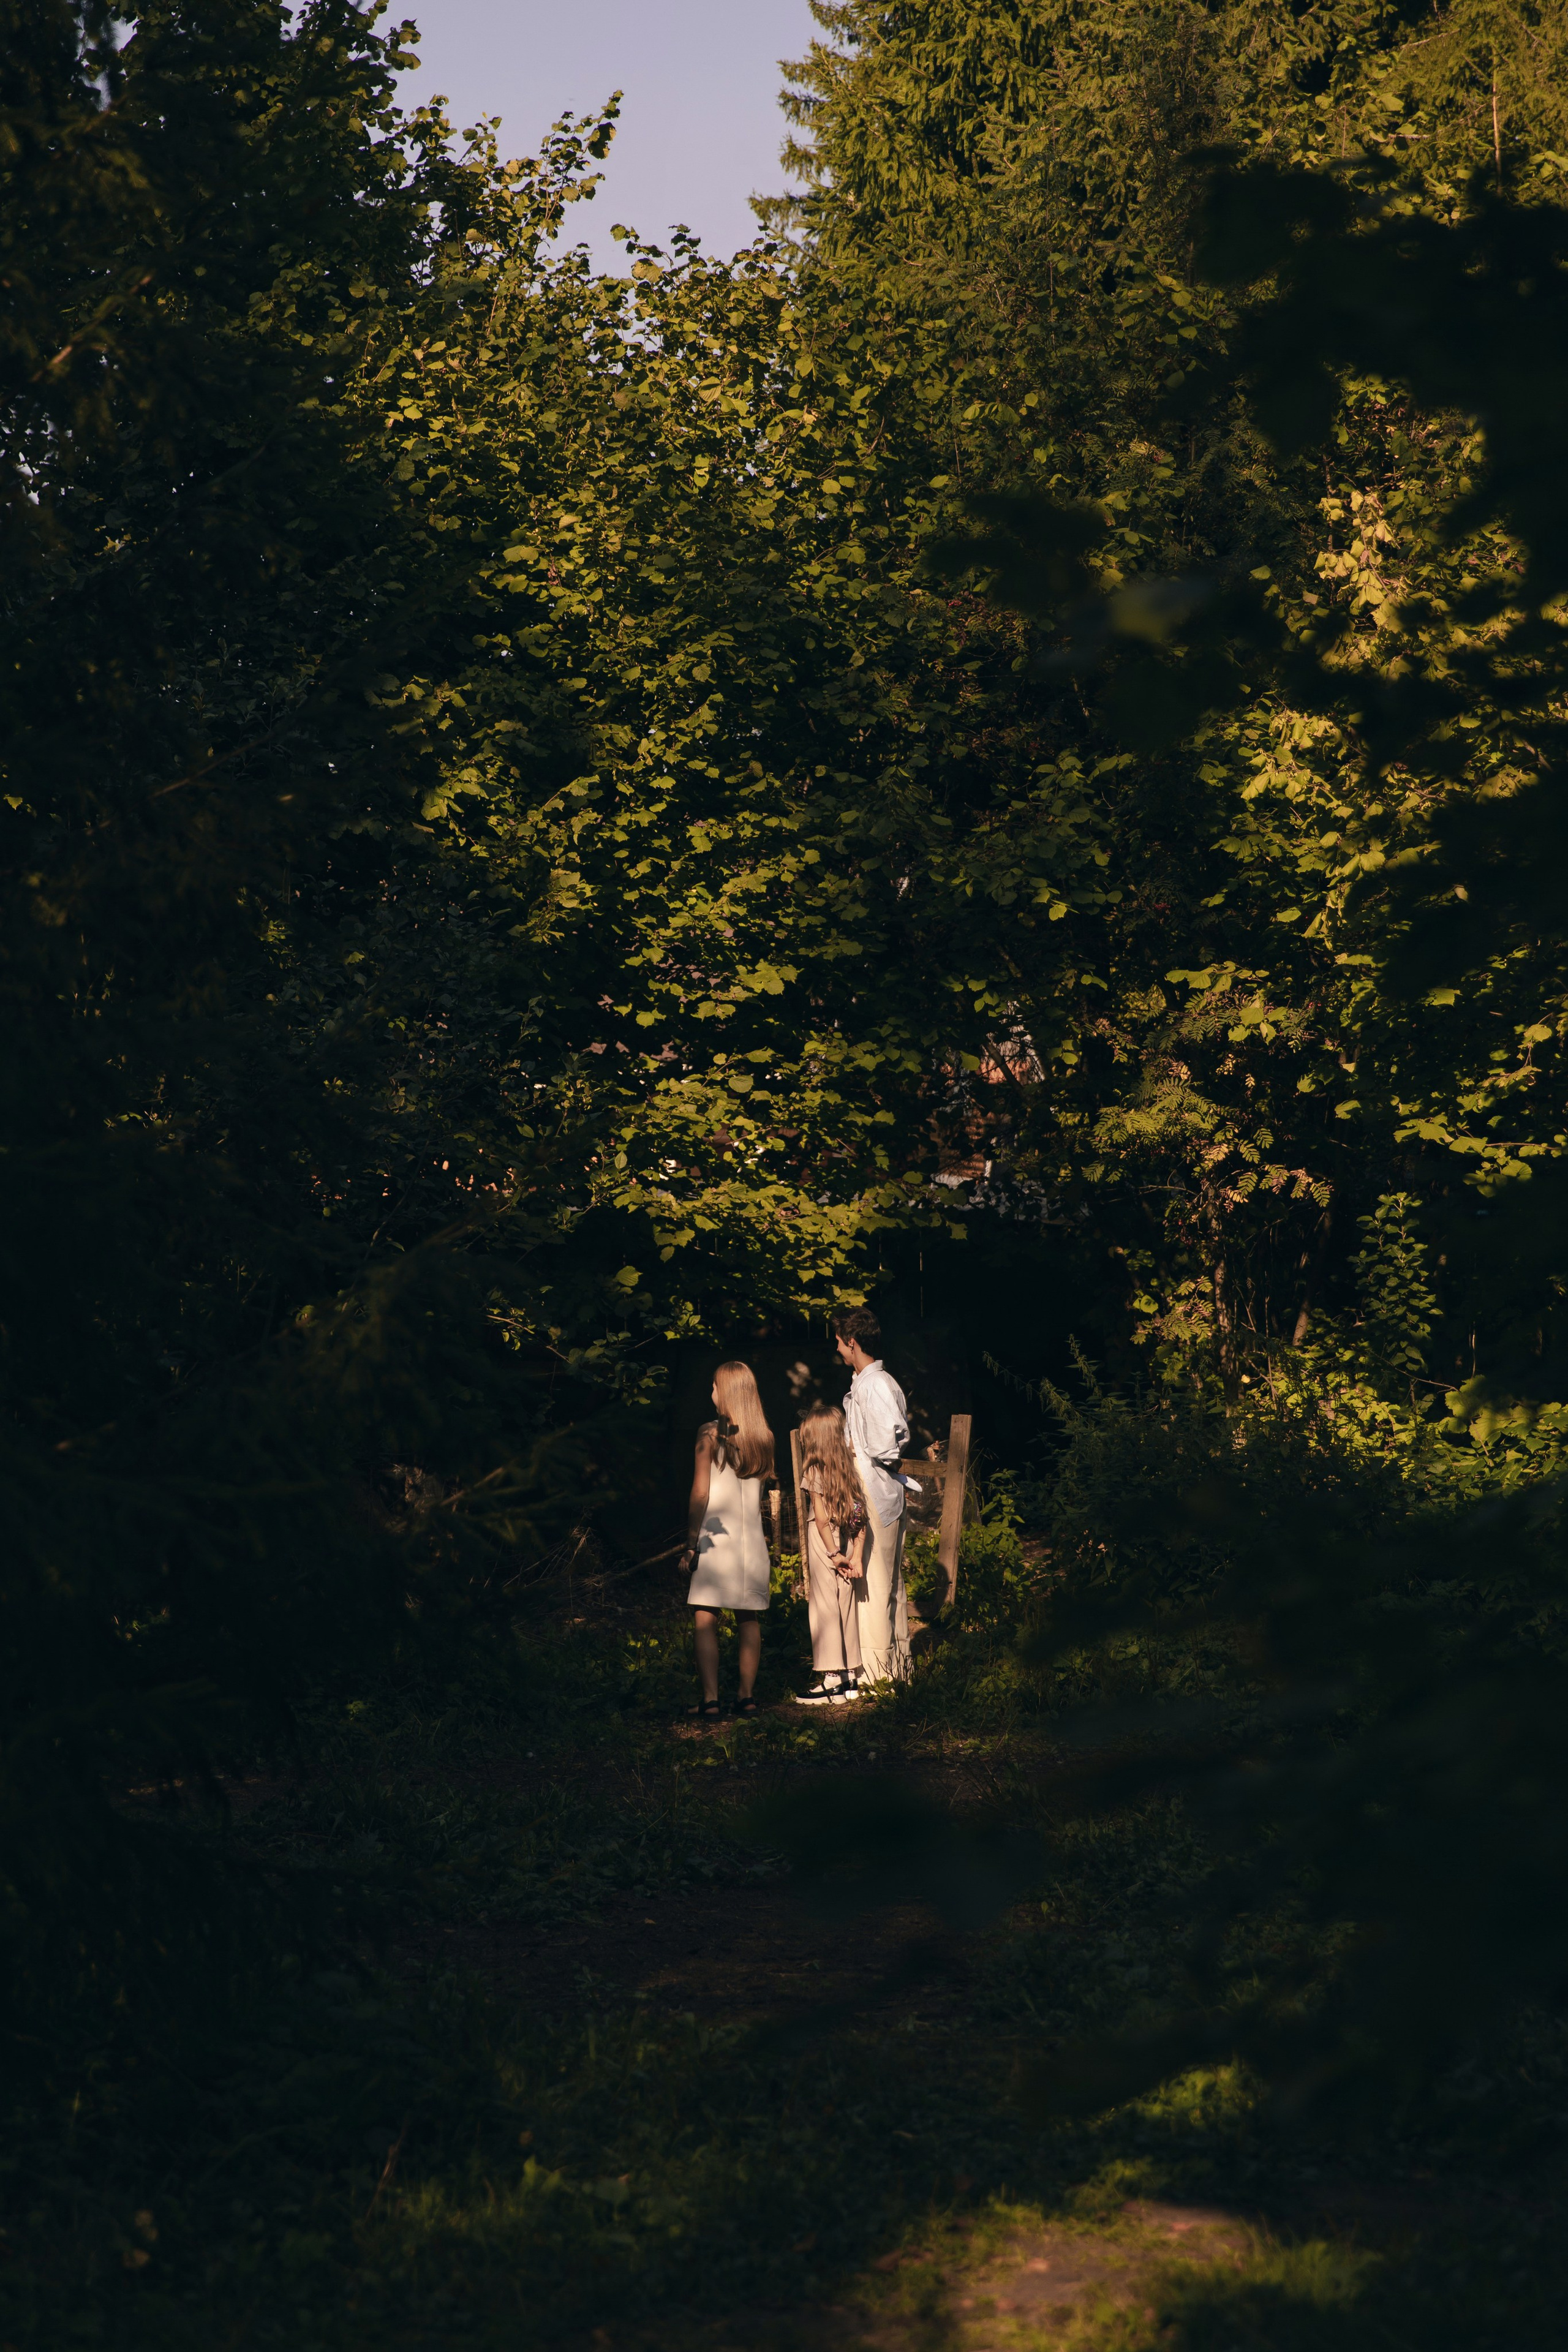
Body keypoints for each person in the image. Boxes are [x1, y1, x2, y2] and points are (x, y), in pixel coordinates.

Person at [680, 1360, 775, 1720]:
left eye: (715, 1386)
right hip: (751, 1543)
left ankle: (711, 1700)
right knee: (748, 1617)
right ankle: (746, 1697)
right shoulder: (764, 1438)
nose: (711, 1392)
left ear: (727, 1392)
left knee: (705, 1615)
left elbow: (701, 1493)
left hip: (716, 1540)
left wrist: (691, 1543)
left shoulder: (709, 1434)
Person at [834, 1305, 914, 1685]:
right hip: (880, 1487)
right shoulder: (874, 1383)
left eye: (839, 1341)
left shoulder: (873, 1385)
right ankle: (898, 1669)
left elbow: (886, 1445)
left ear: (852, 1342)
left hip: (874, 1488)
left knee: (876, 1583)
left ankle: (878, 1675)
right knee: (889, 1583)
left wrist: (854, 1450)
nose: (837, 1349)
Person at [794, 1404, 867, 1706]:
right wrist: (856, 1555)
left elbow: (822, 1520)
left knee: (824, 1606)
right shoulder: (849, 1469)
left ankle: (832, 1680)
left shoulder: (814, 1470)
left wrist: (834, 1554)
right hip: (847, 1537)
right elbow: (860, 1514)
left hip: (825, 1543)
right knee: (845, 1603)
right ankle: (851, 1677)